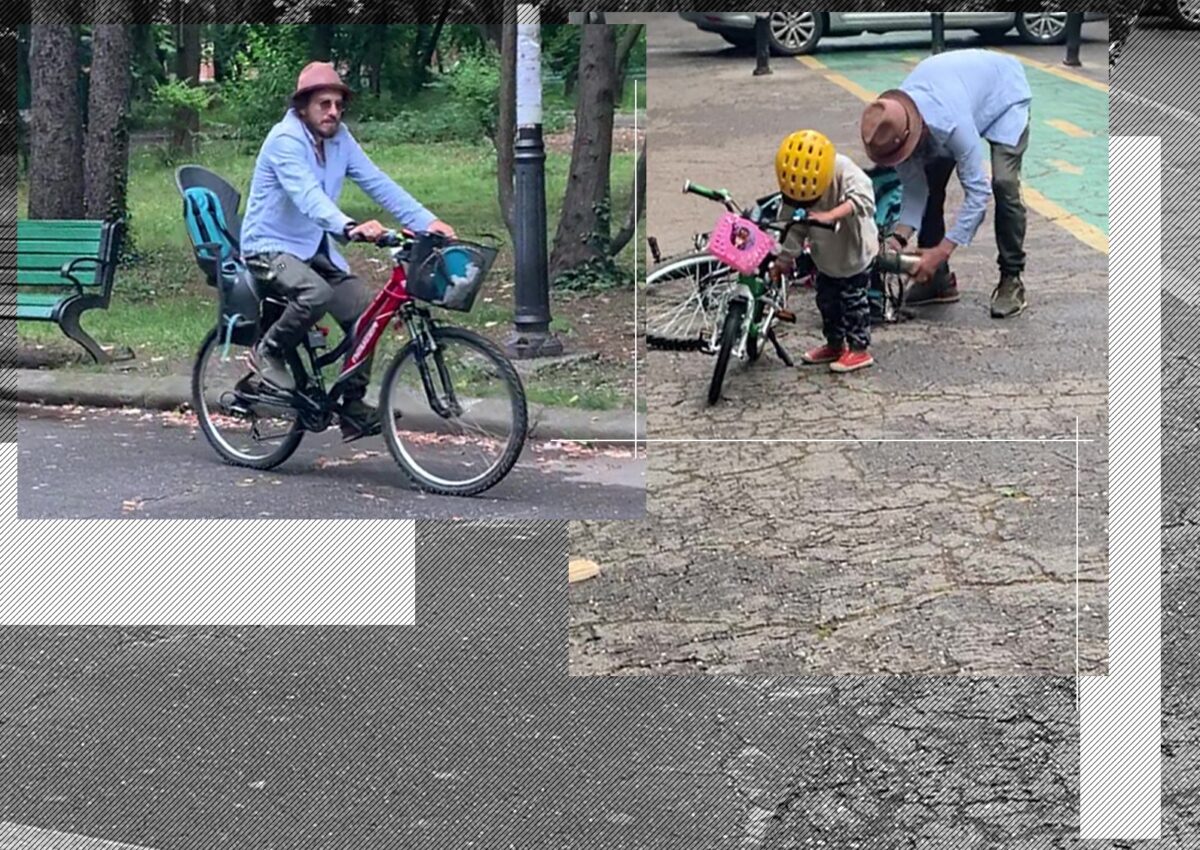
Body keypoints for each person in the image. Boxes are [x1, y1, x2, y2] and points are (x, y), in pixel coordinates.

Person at [239, 61, 456, 441]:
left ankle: (352, 407)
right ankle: (268, 352)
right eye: (324, 104)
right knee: (315, 294)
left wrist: (427, 221)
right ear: (302, 106)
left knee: (365, 313)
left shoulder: (338, 138)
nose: (333, 112)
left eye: (338, 104)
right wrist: (349, 226)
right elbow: (309, 197)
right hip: (268, 248)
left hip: (311, 248)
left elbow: (377, 182)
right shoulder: (284, 140)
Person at [859, 48, 1031, 318]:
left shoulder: (951, 123)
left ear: (917, 130)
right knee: (931, 180)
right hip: (962, 93)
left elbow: (977, 194)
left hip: (1003, 94)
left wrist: (941, 251)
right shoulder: (892, 125)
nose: (903, 158)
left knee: (1004, 184)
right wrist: (898, 239)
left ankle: (1012, 279)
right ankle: (937, 281)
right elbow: (917, 191)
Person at [773, 129, 879, 373]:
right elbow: (794, 227)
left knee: (854, 303)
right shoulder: (794, 185)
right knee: (827, 301)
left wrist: (831, 215)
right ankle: (834, 343)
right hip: (825, 257)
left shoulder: (844, 170)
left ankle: (859, 348)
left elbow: (864, 200)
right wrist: (784, 259)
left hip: (854, 252)